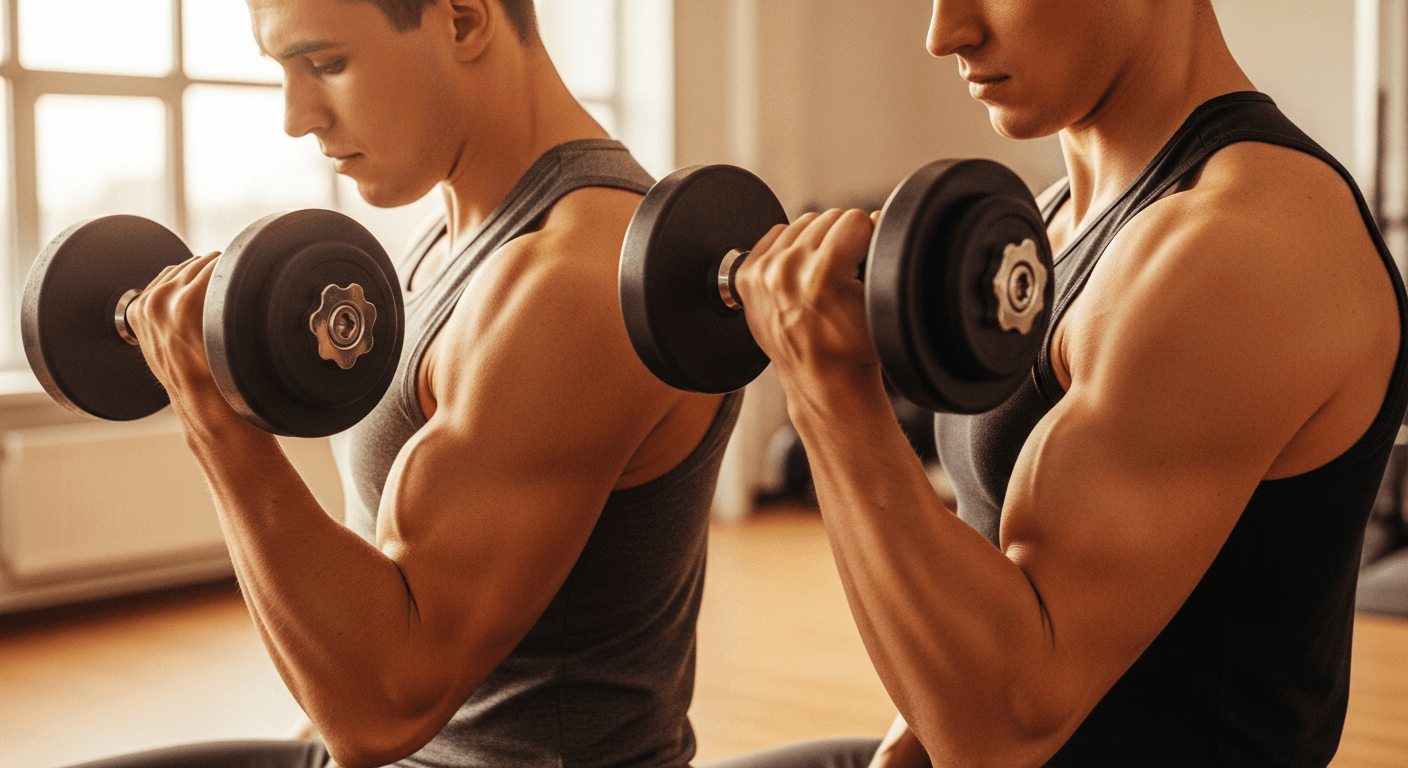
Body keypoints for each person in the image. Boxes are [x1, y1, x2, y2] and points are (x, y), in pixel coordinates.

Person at [712, 1, 1408, 766]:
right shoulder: (1056, 216)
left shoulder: (1238, 250)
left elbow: (1004, 728)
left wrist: (829, 392)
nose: (945, 34)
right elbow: (988, 566)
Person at [78, 0, 739, 767]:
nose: (296, 117)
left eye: (326, 64)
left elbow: (384, 707)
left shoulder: (572, 282)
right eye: (282, 69)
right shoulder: (453, 239)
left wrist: (218, 424)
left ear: (461, 20)